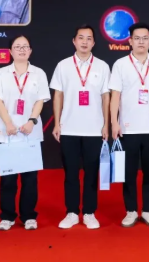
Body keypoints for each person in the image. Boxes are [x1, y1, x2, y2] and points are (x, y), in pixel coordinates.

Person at [50, 25, 111, 230]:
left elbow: (106, 97)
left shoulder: (102, 66)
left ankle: (89, 212)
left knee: (92, 173)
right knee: (71, 174)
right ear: (74, 41)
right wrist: (57, 123)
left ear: (94, 43)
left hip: (94, 129)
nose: (84, 42)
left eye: (89, 38)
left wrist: (106, 124)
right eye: (81, 38)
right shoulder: (63, 65)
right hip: (69, 128)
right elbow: (58, 95)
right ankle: (72, 212)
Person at [0, 35, 51, 231]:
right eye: (18, 46)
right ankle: (7, 216)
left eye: (25, 46)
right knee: (8, 179)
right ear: (10, 51)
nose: (22, 50)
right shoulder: (1, 73)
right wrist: (8, 123)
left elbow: (40, 100)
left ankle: (29, 216)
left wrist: (32, 121)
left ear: (30, 51)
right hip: (6, 133)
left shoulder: (39, 73)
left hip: (29, 133)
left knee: (29, 178)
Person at [110, 22, 149, 228]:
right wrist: (114, 122)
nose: (141, 42)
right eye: (137, 38)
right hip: (128, 128)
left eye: (145, 38)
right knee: (128, 173)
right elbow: (115, 95)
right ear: (130, 41)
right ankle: (131, 210)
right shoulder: (120, 64)